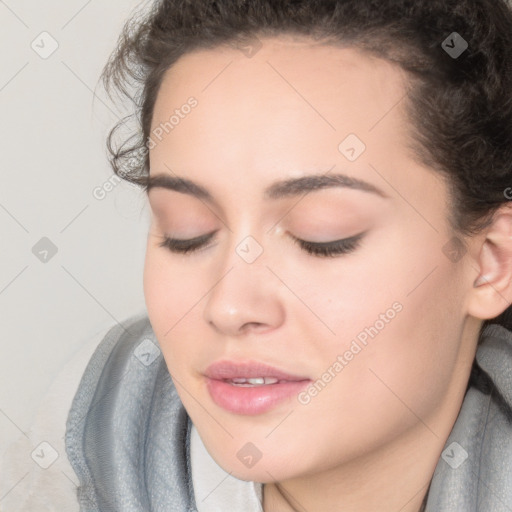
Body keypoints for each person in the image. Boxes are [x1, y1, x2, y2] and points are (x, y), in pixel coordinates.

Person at [2, 0, 512, 510]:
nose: (229, 306)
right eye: (188, 232)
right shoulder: (93, 429)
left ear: (491, 262)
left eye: (322, 237)